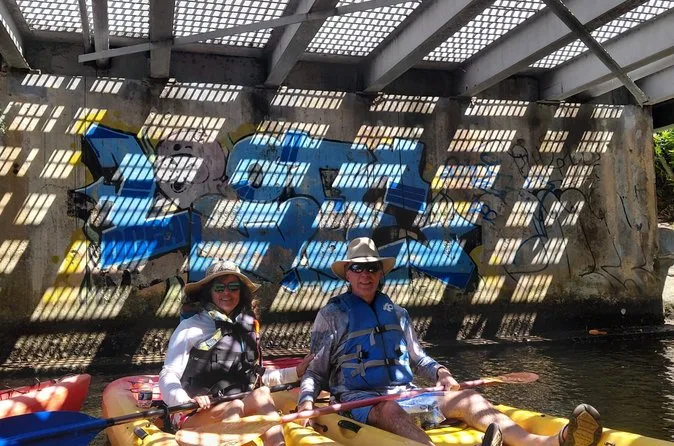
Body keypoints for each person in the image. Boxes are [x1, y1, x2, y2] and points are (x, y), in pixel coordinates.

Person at [297, 237, 602, 446]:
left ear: (380, 273)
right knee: (389, 410)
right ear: (347, 274)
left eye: (372, 267)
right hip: (362, 402)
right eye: (358, 268)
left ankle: (548, 442)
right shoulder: (332, 315)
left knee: (470, 399)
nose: (366, 274)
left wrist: (441, 373)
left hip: (407, 394)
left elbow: (419, 359)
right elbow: (315, 370)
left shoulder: (397, 314)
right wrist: (306, 405)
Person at [159, 259, 314, 446]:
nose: (227, 293)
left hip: (234, 406)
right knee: (235, 406)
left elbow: (254, 376)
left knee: (262, 394)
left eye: (233, 287)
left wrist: (295, 372)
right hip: (194, 413)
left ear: (241, 292)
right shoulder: (190, 327)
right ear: (209, 292)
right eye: (219, 288)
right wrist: (185, 401)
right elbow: (168, 373)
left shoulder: (246, 327)